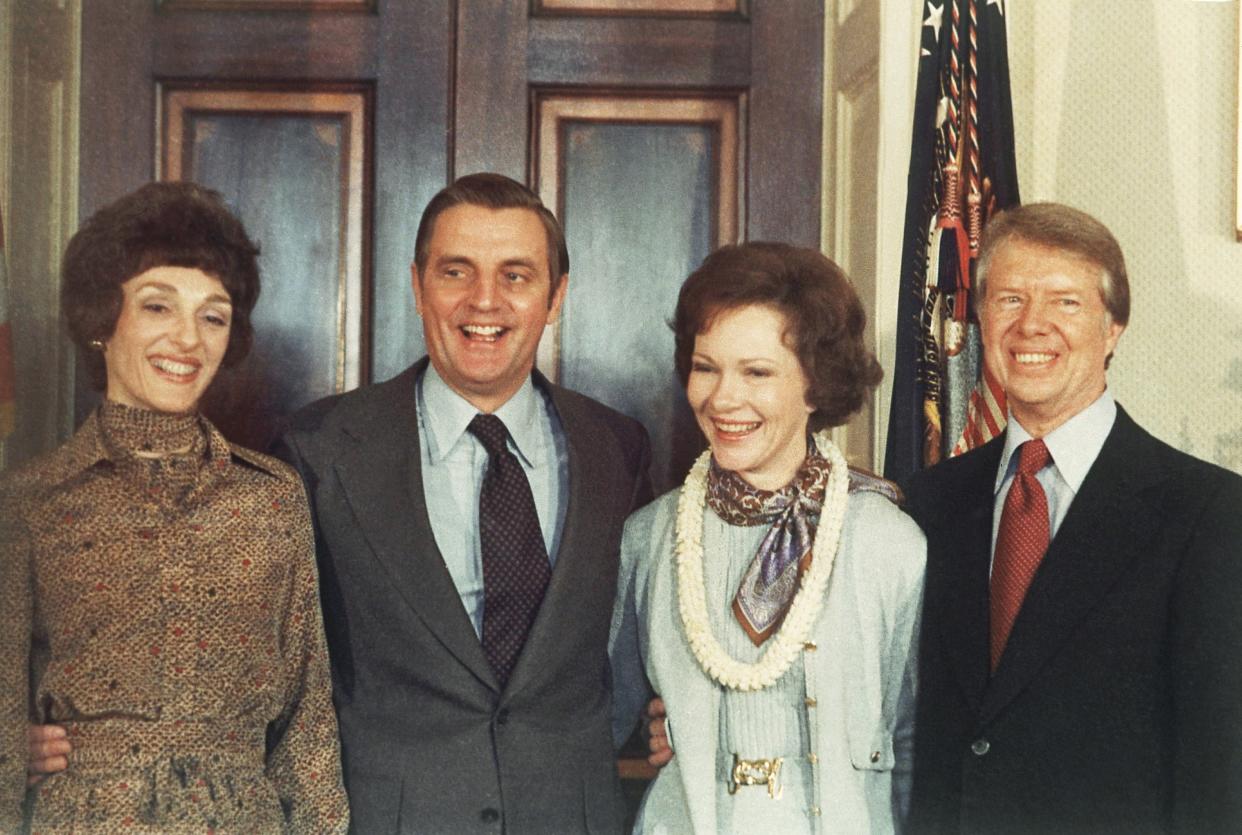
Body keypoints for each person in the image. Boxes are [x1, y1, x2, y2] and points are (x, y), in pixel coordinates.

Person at [273, 174, 652, 833]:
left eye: (516, 275)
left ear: (556, 295)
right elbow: (273, 668)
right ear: (417, 286)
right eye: (456, 271)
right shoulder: (317, 449)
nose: (485, 300)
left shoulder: (618, 447)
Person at [0, 181, 348, 833]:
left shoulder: (271, 497)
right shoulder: (31, 501)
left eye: (212, 315)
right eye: (158, 306)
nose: (187, 338)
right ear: (102, 321)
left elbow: (307, 721)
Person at [903, 203, 1242, 834]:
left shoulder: (1211, 514)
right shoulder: (927, 504)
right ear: (980, 316)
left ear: (1113, 328)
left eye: (1065, 302)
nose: (1031, 325)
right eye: (1009, 299)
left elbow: (1220, 771)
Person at [610, 242, 925, 833]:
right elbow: (598, 721)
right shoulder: (650, 538)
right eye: (706, 367)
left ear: (816, 384)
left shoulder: (889, 540)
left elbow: (914, 743)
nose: (723, 399)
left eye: (757, 372)